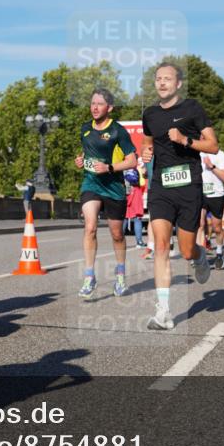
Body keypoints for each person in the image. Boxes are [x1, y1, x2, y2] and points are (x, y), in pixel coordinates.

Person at [141, 62, 218, 329]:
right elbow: (147, 143)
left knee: (185, 250)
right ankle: (163, 312)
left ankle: (199, 257)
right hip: (161, 186)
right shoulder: (150, 114)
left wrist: (185, 140)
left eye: (167, 79)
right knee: (161, 247)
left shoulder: (192, 109)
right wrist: (146, 154)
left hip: (189, 186)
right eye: (158, 78)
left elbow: (213, 145)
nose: (162, 83)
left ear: (178, 84)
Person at [73, 88, 137, 299]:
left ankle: (120, 275)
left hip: (113, 187)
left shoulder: (118, 130)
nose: (94, 107)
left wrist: (109, 168)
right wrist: (80, 161)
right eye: (92, 103)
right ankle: (89, 276)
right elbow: (87, 153)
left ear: (109, 108)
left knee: (117, 235)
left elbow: (132, 160)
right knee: (89, 227)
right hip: (91, 184)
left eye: (99, 104)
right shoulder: (84, 129)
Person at [199, 148, 224, 269]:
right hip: (201, 194)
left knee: (217, 228)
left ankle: (219, 253)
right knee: (200, 224)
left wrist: (211, 166)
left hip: (216, 194)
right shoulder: (197, 153)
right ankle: (200, 256)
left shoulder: (220, 154)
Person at [124, 168, 146, 247]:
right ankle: (139, 242)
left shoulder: (123, 168)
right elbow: (143, 182)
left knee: (124, 217)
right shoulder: (138, 169)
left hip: (126, 193)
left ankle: (119, 241)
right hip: (136, 191)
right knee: (137, 218)